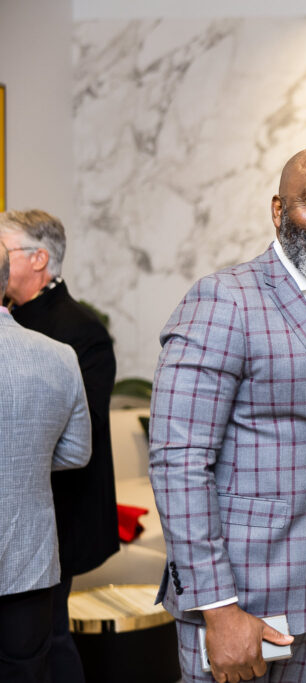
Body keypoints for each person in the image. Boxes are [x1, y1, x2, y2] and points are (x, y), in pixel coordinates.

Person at [149, 147, 306, 683]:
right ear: (278, 211)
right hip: (239, 595)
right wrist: (218, 605)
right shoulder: (223, 300)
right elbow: (179, 462)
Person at [0, 209, 119, 682]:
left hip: (62, 513)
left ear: (38, 259)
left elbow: (80, 437)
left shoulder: (78, 332)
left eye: (6, 251)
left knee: (49, 641)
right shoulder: (31, 329)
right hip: (32, 520)